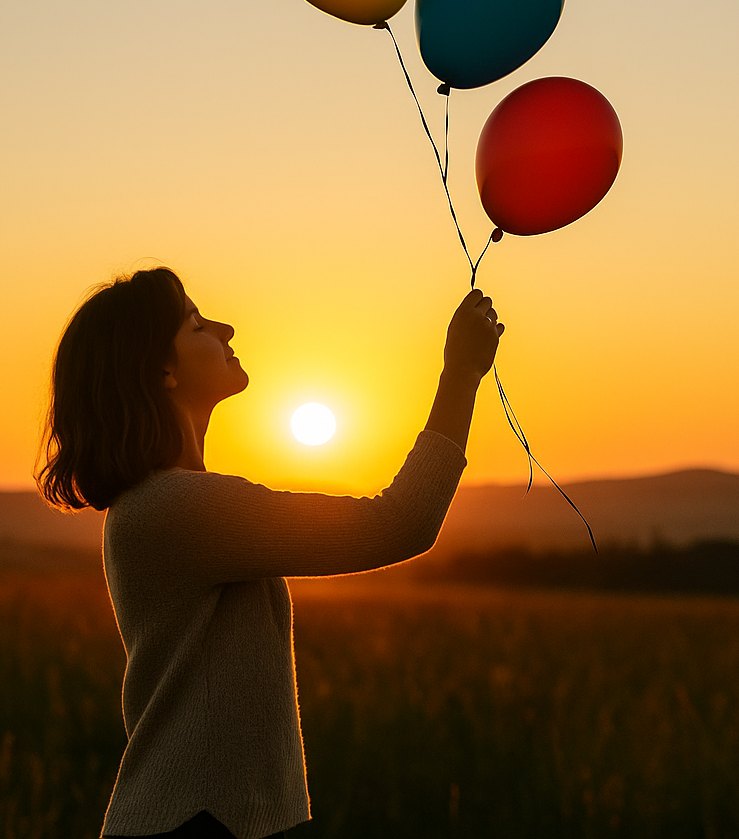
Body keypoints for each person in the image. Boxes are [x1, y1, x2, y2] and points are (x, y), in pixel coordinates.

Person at [36, 267, 502, 839]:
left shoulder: (165, 507)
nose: (226, 328)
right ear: (162, 370)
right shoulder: (176, 509)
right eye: (197, 324)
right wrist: (461, 375)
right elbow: (400, 523)